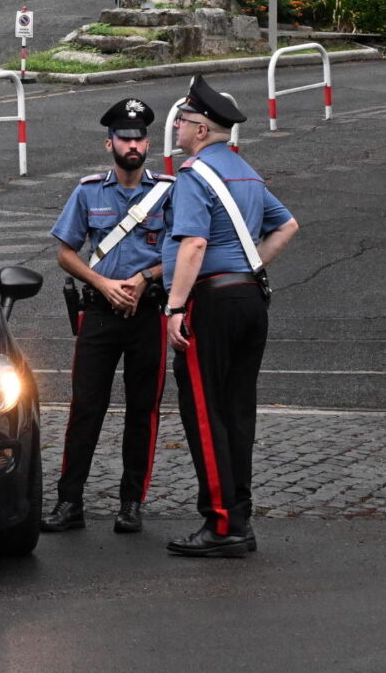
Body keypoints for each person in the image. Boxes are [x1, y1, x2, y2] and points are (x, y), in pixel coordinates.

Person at [159, 78, 298, 559]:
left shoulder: (195, 175)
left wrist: (175, 307)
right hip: (249, 300)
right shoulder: (247, 173)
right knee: (237, 412)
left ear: (200, 129)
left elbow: (193, 245)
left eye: (182, 121)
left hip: (211, 304)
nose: (176, 127)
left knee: (205, 413)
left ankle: (222, 526)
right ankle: (239, 516)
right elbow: (287, 225)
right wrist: (250, 265)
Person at [44, 97, 174, 534]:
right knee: (85, 408)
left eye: (139, 138)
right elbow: (65, 252)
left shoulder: (168, 193)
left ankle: (131, 502)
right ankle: (69, 502)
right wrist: (101, 284)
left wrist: (142, 279)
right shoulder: (87, 191)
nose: (133, 145)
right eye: (125, 138)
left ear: (147, 143)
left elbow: (182, 250)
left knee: (143, 411)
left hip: (147, 312)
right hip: (98, 313)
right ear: (110, 144)